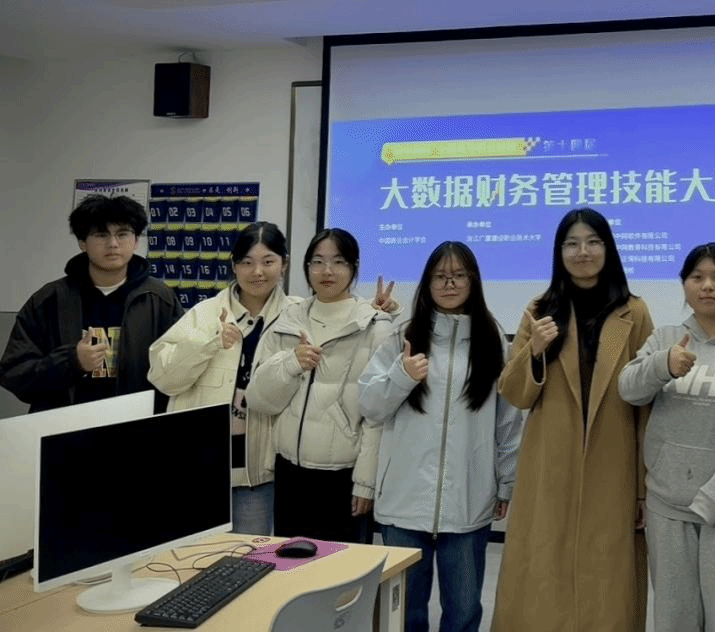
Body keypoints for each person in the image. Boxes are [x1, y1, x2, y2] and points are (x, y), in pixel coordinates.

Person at [491, 208, 654, 632]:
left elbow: (646, 407)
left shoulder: (634, 312)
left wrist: (642, 488)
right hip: (550, 463)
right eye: (572, 243)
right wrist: (535, 350)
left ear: (608, 248)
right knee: (544, 572)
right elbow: (514, 393)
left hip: (613, 464)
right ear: (559, 252)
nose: (583, 252)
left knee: (608, 578)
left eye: (593, 242)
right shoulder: (540, 309)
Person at [359, 241, 523, 632]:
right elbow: (369, 405)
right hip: (404, 500)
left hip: (468, 499)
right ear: (427, 282)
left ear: (473, 281)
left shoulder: (492, 341)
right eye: (440, 276)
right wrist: (402, 376)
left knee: (464, 611)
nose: (449, 284)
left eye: (459, 275)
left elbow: (509, 421)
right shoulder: (403, 335)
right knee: (405, 614)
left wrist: (506, 482)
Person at [618, 242, 715, 632]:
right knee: (674, 618)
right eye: (697, 277)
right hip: (669, 504)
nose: (707, 286)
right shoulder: (666, 338)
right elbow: (629, 389)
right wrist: (663, 365)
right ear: (684, 284)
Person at [147, 222, 301, 535]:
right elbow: (163, 378)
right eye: (247, 262)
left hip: (260, 471)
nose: (257, 272)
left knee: (249, 555)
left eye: (268, 261)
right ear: (233, 265)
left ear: (284, 264)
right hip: (202, 467)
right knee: (194, 556)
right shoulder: (205, 313)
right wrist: (208, 341)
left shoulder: (299, 315)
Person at [247, 228, 397, 543]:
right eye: (317, 262)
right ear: (306, 267)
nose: (327, 271)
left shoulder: (375, 327)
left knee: (346, 568)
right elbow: (259, 399)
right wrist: (291, 363)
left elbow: (378, 416)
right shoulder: (288, 320)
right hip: (290, 471)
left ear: (354, 267)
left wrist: (366, 482)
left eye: (338, 262)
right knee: (292, 564)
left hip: (345, 475)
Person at [0, 194, 182, 414]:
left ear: (135, 241)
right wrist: (72, 361)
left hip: (136, 423)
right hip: (65, 426)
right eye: (101, 235)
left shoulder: (159, 299)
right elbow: (14, 373)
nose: (113, 244)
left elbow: (181, 370)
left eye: (122, 234)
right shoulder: (49, 299)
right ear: (82, 243)